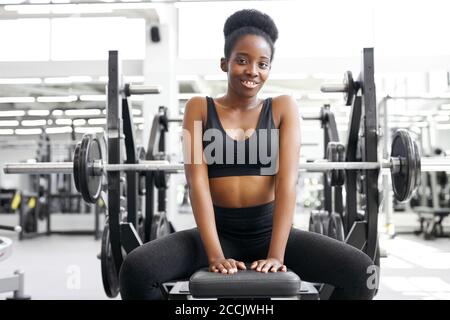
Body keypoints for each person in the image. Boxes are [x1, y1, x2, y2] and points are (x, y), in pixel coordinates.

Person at [119, 9, 375, 300]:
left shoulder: (282, 108)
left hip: (271, 233)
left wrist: (277, 255)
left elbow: (287, 183)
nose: (253, 70)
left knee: (362, 273)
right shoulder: (197, 108)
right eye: (242, 60)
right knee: (136, 270)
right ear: (224, 63)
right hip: (216, 234)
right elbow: (197, 184)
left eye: (262, 64)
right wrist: (215, 254)